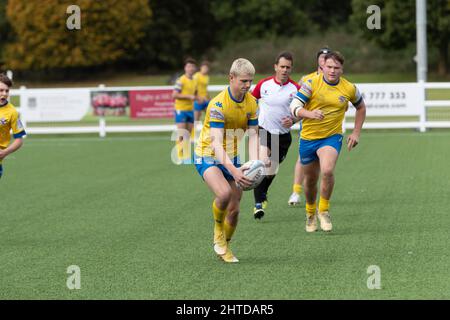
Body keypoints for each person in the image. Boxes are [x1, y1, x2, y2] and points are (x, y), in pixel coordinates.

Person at [290, 51, 366, 232]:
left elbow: (361, 107)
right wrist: (310, 114)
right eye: (329, 67)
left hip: (331, 136)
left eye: (336, 68)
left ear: (342, 69)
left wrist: (356, 133)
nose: (332, 71)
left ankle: (323, 210)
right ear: (322, 66)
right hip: (308, 137)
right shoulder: (310, 84)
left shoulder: (349, 88)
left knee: (328, 170)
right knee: (310, 181)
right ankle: (310, 213)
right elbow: (294, 106)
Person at [194, 58, 259, 263]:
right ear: (231, 78)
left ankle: (225, 247)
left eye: (250, 81)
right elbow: (215, 143)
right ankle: (217, 231)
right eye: (244, 81)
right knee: (224, 194)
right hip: (208, 154)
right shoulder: (218, 104)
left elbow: (255, 135)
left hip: (233, 155)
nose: (248, 86)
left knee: (235, 209)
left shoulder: (251, 102)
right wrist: (235, 170)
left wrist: (255, 162)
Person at [250, 52, 300, 219]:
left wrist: (293, 120)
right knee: (263, 163)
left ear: (291, 68)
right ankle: (257, 205)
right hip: (263, 130)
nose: (285, 70)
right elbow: (250, 101)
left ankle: (263, 192)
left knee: (271, 171)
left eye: (288, 67)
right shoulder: (264, 84)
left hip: (283, 136)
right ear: (275, 67)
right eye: (282, 66)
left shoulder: (295, 88)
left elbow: (301, 111)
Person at [288, 46, 331, 206]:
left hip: (328, 129)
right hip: (308, 126)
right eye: (322, 57)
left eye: (328, 58)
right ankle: (296, 192)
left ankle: (317, 193)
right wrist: (294, 118)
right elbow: (296, 101)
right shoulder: (307, 79)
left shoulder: (335, 79)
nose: (325, 60)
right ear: (318, 61)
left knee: (324, 164)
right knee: (302, 159)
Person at [0, 74, 26, 179]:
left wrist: (4, 152)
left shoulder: (12, 112)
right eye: (1, 90)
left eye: (7, 91)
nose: (4, 94)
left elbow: (19, 140)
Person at [172, 58, 198, 162]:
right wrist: (188, 96)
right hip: (181, 109)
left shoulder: (195, 80)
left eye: (192, 66)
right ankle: (179, 155)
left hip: (190, 109)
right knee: (181, 133)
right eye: (188, 66)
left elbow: (195, 94)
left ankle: (186, 156)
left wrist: (199, 98)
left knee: (188, 133)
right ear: (185, 68)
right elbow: (174, 94)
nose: (190, 68)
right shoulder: (180, 80)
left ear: (195, 68)